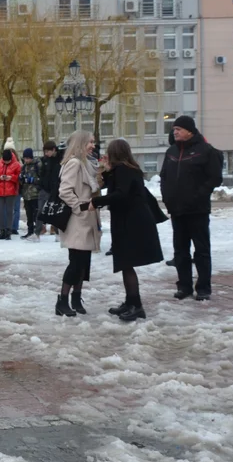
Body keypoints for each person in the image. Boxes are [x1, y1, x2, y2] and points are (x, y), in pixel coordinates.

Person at [92, 140, 164, 321]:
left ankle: (136, 305)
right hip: (130, 221)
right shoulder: (126, 169)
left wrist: (97, 202)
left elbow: (120, 194)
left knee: (127, 262)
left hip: (131, 223)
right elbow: (114, 186)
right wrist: (107, 171)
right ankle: (130, 301)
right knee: (125, 263)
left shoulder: (124, 170)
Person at [159, 115, 223, 302]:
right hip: (177, 210)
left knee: (201, 250)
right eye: (174, 129)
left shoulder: (205, 151)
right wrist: (167, 198)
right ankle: (184, 286)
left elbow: (214, 178)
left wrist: (198, 196)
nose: (175, 132)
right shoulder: (171, 151)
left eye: (178, 129)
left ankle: (203, 287)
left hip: (198, 210)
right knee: (180, 250)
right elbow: (163, 177)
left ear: (189, 131)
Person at [55, 131, 101, 316]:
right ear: (81, 143)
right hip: (78, 220)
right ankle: (62, 301)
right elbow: (64, 191)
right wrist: (79, 207)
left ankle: (76, 297)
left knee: (83, 263)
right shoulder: (74, 163)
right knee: (75, 263)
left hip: (87, 219)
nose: (93, 145)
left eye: (93, 142)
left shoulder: (87, 163)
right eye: (90, 142)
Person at [0, 146, 22, 240]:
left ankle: (8, 230)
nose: (6, 163)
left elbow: (20, 177)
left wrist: (11, 178)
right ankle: (2, 231)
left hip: (11, 192)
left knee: (9, 211)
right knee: (0, 212)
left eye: (7, 161)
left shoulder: (16, 165)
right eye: (4, 161)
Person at [38, 141, 62, 237]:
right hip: (45, 189)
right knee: (40, 211)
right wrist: (41, 184)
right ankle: (37, 232)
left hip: (56, 189)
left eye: (48, 151)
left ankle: (57, 232)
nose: (46, 154)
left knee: (55, 211)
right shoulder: (46, 160)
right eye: (45, 152)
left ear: (53, 150)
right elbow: (43, 173)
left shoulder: (60, 159)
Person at [19, 149, 42, 241]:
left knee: (36, 214)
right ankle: (30, 231)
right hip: (26, 194)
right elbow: (21, 179)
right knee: (29, 214)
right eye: (25, 158)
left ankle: (37, 232)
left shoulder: (37, 165)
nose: (26, 160)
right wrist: (21, 178)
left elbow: (42, 178)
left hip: (35, 194)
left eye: (28, 158)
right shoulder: (24, 167)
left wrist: (32, 180)